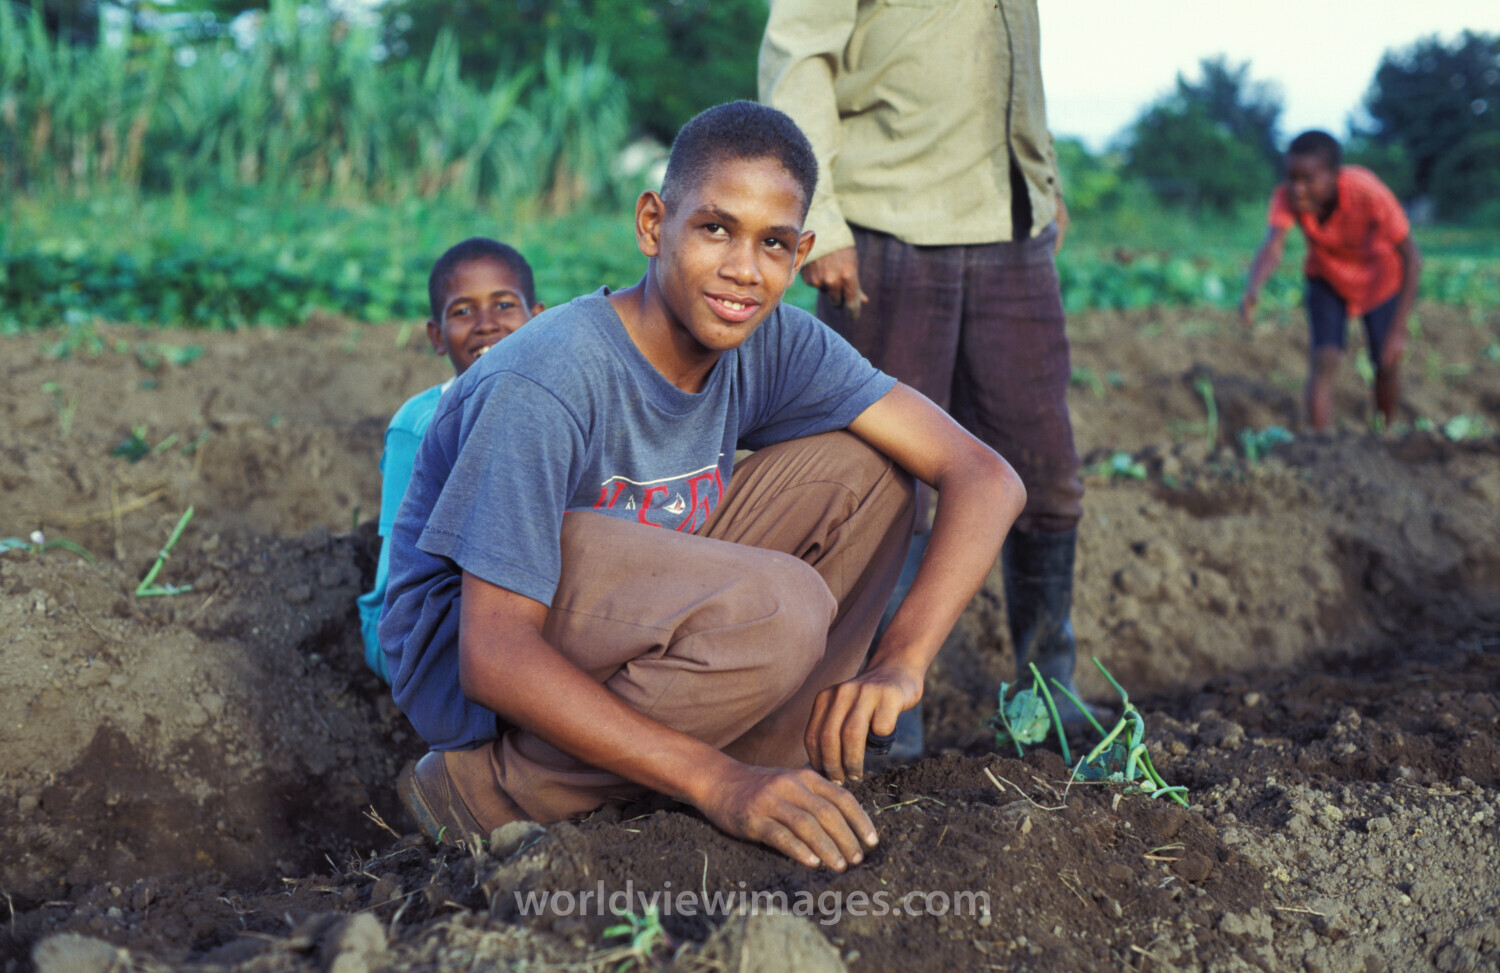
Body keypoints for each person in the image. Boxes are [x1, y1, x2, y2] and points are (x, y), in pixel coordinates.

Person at [379, 101, 1025, 871]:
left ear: (801, 252)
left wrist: (901, 660)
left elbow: (985, 475)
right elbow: (493, 651)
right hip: (477, 656)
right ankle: (492, 792)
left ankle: (767, 757)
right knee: (780, 608)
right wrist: (716, 783)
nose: (744, 270)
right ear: (654, 223)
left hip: (618, 603)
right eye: (715, 228)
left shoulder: (775, 336)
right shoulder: (547, 374)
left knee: (876, 474)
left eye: (774, 243)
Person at [758, 0, 1087, 753]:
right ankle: (879, 721)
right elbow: (800, 56)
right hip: (887, 224)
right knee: (886, 482)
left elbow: (1010, 62)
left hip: (1010, 226)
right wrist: (824, 220)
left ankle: (1051, 696)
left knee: (1047, 471)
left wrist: (1043, 178)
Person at [356, 238, 544, 681]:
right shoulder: (420, 426)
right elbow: (408, 579)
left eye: (503, 305)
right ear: (437, 337)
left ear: (538, 320)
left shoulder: (556, 410)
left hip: (513, 610)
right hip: (423, 632)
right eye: (463, 311)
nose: (486, 325)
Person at [1240, 130, 1421, 432]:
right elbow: (1274, 245)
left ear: (1334, 175)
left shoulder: (1368, 192)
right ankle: (1322, 447)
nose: (1298, 189)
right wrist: (1252, 288)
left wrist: (1399, 329)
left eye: (1308, 180)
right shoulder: (1286, 197)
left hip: (1380, 282)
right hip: (1328, 279)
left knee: (1386, 363)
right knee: (1325, 358)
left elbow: (1412, 258)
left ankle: (1385, 434)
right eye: (1291, 178)